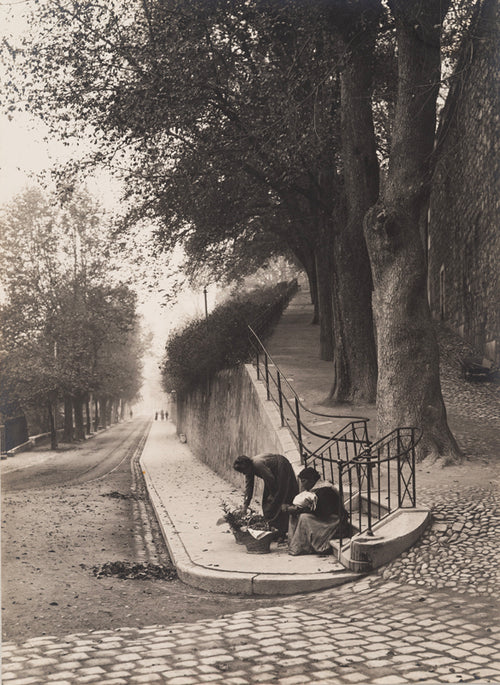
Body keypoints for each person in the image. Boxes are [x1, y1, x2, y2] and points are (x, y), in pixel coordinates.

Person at [284, 467, 351, 556]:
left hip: (334, 520)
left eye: (304, 481)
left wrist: (298, 510)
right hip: (325, 516)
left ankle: (305, 546)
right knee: (295, 514)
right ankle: (295, 543)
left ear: (311, 480)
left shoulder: (325, 490)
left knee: (304, 517)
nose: (302, 485)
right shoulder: (315, 490)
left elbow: (322, 512)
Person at [233, 453, 299, 540]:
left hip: (281, 467)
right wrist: (245, 505)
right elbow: (249, 487)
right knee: (269, 503)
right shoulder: (248, 469)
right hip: (273, 476)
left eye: (243, 471)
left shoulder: (258, 464)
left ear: (247, 466)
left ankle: (282, 531)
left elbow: (270, 479)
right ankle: (276, 529)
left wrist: (272, 495)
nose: (244, 473)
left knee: (279, 499)